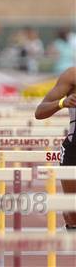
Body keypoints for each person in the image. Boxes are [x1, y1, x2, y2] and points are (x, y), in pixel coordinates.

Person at [35, 66, 76, 231]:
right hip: (74, 148)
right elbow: (39, 112)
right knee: (73, 211)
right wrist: (62, 103)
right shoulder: (72, 74)